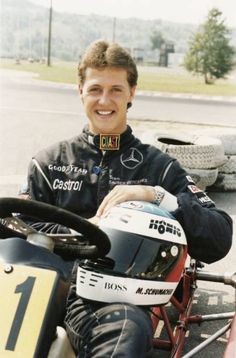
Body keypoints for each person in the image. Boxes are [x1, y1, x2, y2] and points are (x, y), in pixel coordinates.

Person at [21, 40, 232, 357]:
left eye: (116, 90)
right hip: (41, 289)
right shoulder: (49, 162)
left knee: (126, 328)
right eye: (95, 89)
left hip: (110, 303)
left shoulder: (158, 168)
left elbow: (219, 236)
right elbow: (18, 232)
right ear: (80, 90)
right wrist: (81, 231)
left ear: (132, 92)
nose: (104, 100)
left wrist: (158, 197)